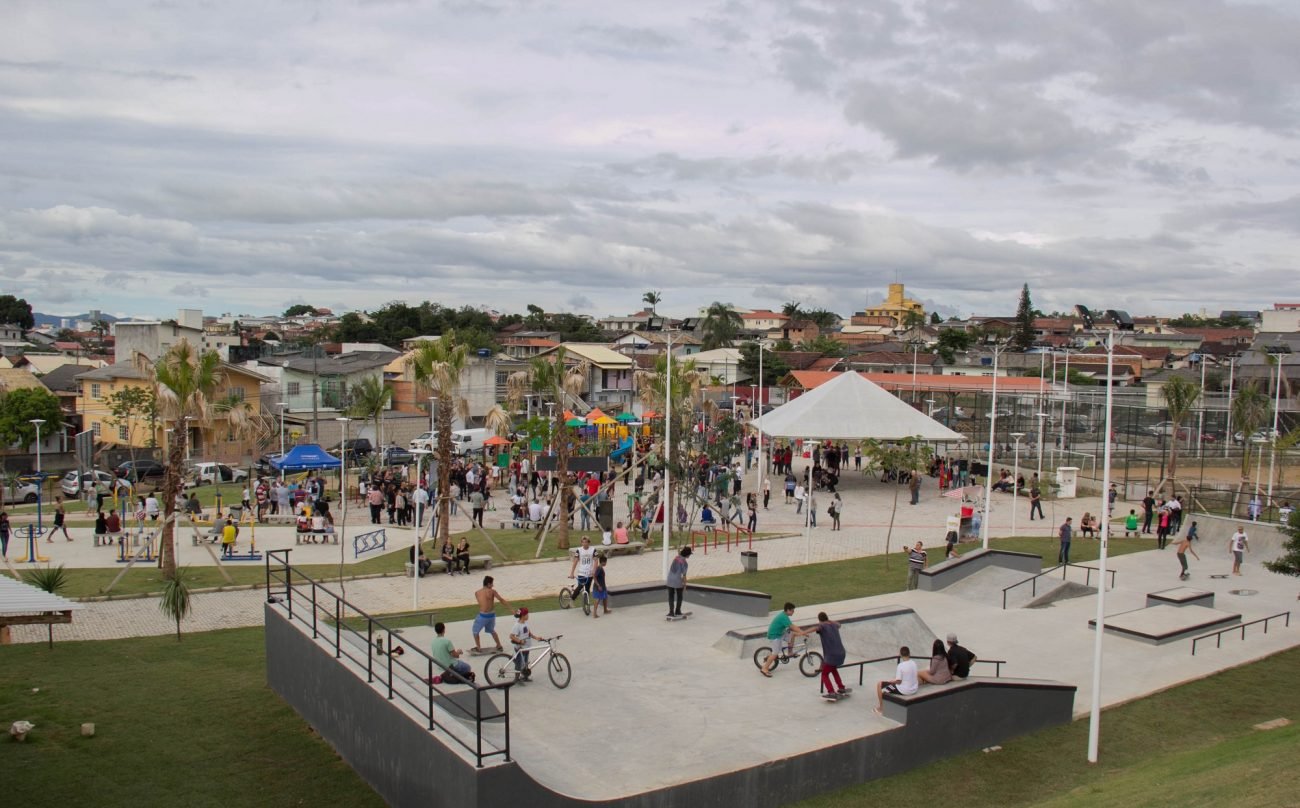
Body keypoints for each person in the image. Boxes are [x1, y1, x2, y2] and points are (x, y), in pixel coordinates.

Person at [759, 602, 808, 677]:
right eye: (792, 610)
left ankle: (790, 653)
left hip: (780, 633)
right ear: (788, 610)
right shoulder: (783, 617)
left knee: (792, 634)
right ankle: (764, 668)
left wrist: (801, 632)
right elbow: (792, 627)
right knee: (775, 653)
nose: (793, 612)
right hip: (774, 635)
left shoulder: (784, 615)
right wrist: (803, 632)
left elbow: (792, 627)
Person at [811, 612, 849, 699]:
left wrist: (802, 632)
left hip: (832, 655)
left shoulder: (822, 626)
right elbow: (839, 624)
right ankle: (841, 687)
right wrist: (829, 620)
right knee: (834, 670)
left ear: (819, 620)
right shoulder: (834, 625)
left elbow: (816, 628)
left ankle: (831, 692)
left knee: (824, 674)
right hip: (841, 653)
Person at [874, 645, 919, 713]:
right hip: (914, 689)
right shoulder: (914, 663)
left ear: (900, 654)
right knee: (887, 686)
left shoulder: (900, 666)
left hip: (904, 690)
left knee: (879, 685)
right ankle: (886, 696)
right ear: (909, 654)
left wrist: (891, 681)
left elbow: (898, 682)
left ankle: (881, 708)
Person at [472, 576, 511, 652]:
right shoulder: (492, 591)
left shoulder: (477, 593)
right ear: (488, 584)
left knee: (475, 632)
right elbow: (501, 600)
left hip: (483, 616)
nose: (493, 585)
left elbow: (481, 604)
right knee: (492, 630)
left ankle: (478, 647)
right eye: (492, 584)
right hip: (492, 616)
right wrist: (511, 609)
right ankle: (499, 645)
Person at [510, 607, 550, 679]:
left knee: (525, 662)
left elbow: (529, 633)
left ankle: (525, 676)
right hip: (520, 648)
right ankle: (517, 678)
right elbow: (511, 636)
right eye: (527, 614)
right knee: (519, 664)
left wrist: (536, 637)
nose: (528, 616)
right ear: (523, 616)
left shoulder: (525, 623)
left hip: (526, 648)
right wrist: (520, 641)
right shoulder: (517, 625)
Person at [665, 545, 692, 617]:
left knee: (671, 596)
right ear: (687, 554)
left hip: (669, 579)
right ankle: (678, 611)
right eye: (689, 554)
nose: (690, 555)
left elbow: (679, 553)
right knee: (679, 596)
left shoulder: (676, 557)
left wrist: (679, 549)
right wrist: (685, 586)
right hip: (677, 581)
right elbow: (684, 576)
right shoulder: (685, 563)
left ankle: (671, 612)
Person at [591, 553, 610, 618]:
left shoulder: (601, 568)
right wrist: (598, 585)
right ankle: (594, 614)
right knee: (597, 599)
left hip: (603, 586)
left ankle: (605, 610)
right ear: (603, 562)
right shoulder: (599, 568)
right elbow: (594, 576)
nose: (606, 563)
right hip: (599, 587)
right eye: (605, 562)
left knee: (605, 597)